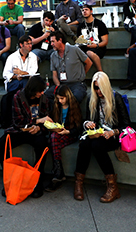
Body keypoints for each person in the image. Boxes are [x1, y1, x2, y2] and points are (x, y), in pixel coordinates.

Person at [74, 72, 130, 204]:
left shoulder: (116, 98)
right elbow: (87, 119)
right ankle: (78, 183)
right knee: (84, 144)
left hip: (113, 135)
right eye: (95, 88)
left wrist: (113, 132)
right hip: (97, 133)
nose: (98, 91)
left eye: (100, 88)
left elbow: (127, 125)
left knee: (96, 146)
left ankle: (112, 186)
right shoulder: (92, 98)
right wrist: (87, 124)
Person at [0, 75, 51, 199]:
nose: (42, 93)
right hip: (20, 130)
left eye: (43, 91)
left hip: (35, 131)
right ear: (33, 89)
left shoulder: (43, 99)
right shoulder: (18, 97)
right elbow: (18, 122)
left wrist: (39, 127)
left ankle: (37, 181)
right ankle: (10, 179)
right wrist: (36, 122)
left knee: (43, 145)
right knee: (0, 145)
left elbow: (47, 121)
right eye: (40, 91)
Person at [44, 84, 83, 192]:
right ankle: (58, 173)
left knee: (52, 140)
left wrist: (68, 131)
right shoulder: (57, 106)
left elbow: (79, 127)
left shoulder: (74, 106)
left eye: (62, 98)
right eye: (58, 98)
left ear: (67, 97)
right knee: (53, 138)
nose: (60, 101)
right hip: (58, 132)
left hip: (70, 133)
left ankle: (58, 173)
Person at [48, 31, 91, 105]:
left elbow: (89, 62)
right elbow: (54, 75)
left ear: (60, 40)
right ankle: (54, 115)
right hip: (62, 84)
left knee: (76, 97)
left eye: (53, 41)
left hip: (77, 84)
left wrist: (82, 74)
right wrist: (59, 87)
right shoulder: (53, 55)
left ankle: (71, 116)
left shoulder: (74, 49)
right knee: (47, 95)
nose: (51, 44)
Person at [76, 4, 107, 73]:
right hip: (85, 47)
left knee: (89, 53)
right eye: (83, 10)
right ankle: (80, 77)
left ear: (91, 11)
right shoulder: (81, 26)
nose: (84, 11)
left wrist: (96, 45)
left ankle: (100, 72)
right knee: (75, 52)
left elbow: (105, 41)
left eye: (86, 10)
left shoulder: (99, 24)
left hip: (98, 47)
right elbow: (79, 40)